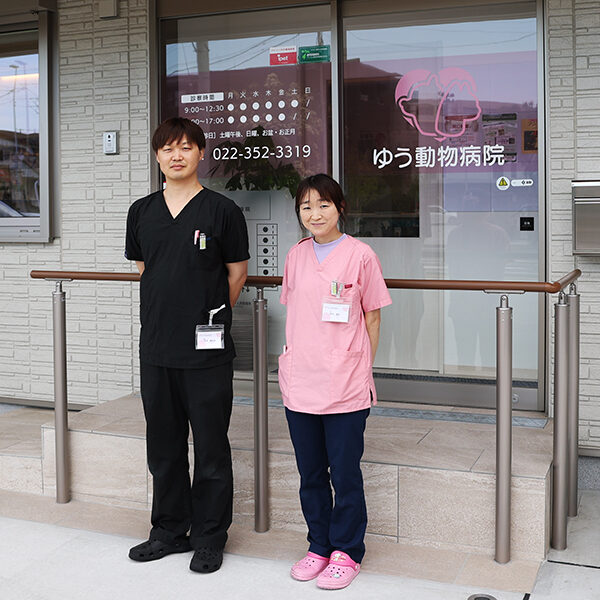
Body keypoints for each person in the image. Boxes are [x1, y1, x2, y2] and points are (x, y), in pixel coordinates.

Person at [124, 117, 249, 573]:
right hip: (157, 349)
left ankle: (210, 536)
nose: (176, 155)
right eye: (168, 148)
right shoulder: (141, 211)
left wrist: (207, 309)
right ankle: (169, 531)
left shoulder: (222, 211)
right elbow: (145, 268)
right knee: (164, 447)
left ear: (200, 154)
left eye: (186, 147)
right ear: (158, 157)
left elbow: (237, 273)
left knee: (212, 447)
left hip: (207, 352)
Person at [279, 174, 392, 589]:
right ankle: (318, 546)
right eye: (306, 206)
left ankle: (347, 550)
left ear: (340, 208)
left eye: (324, 204)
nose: (315, 213)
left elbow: (373, 316)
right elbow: (298, 313)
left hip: (345, 384)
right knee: (310, 472)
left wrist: (360, 369)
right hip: (301, 381)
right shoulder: (295, 256)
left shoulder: (361, 255)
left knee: (344, 473)